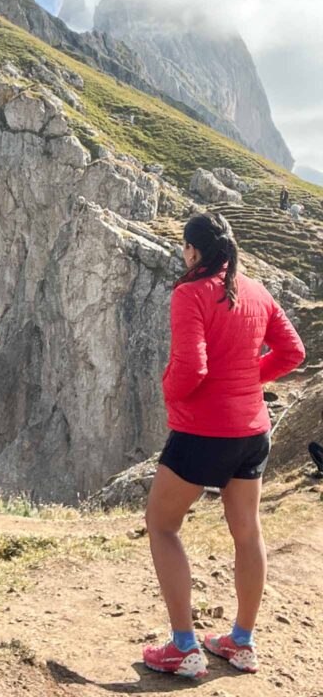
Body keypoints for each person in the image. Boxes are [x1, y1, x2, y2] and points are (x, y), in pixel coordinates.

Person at [142, 211, 305, 680]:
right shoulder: (255, 290)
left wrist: (168, 390)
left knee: (162, 525)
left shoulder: (190, 292)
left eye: (183, 247)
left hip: (203, 432)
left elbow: (191, 370)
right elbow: (294, 352)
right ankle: (241, 642)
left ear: (193, 250)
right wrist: (244, 382)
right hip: (253, 431)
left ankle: (184, 647)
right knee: (247, 532)